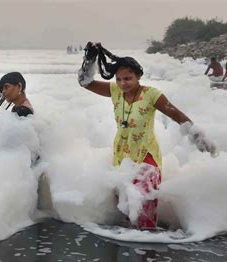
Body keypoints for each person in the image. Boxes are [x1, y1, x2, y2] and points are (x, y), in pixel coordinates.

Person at [78, 42, 217, 229]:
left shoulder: (152, 95)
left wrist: (198, 137)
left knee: (144, 198)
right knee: (125, 202)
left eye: (128, 78)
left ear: (139, 77)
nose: (122, 83)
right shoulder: (115, 91)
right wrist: (90, 59)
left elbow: (176, 114)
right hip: (122, 154)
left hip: (146, 153)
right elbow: (85, 83)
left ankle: (147, 242)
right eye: (119, 79)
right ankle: (127, 240)